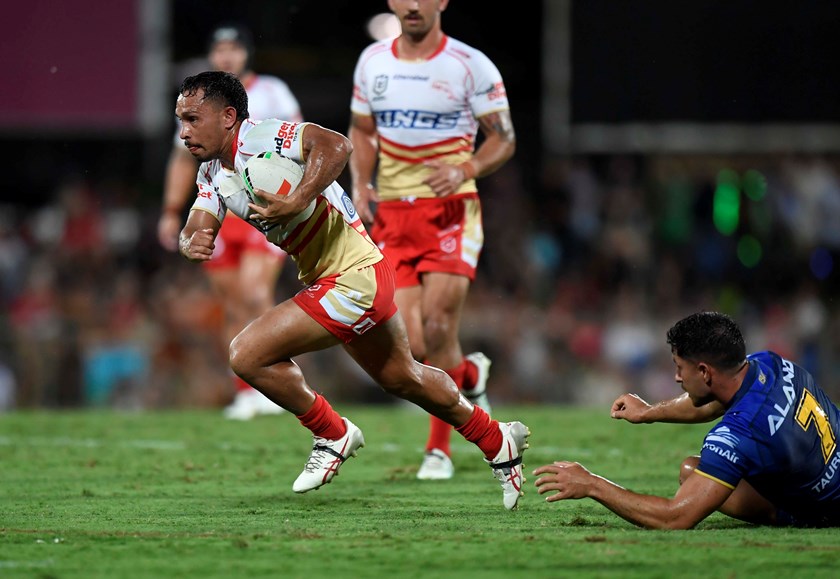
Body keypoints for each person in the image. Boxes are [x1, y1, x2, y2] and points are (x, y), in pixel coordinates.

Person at [175, 70, 530, 509]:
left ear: (228, 117)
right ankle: (497, 439)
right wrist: (191, 240)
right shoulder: (211, 172)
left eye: (193, 119)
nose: (184, 132)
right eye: (181, 121)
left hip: (354, 276)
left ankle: (332, 433)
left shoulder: (261, 136)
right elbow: (198, 221)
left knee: (246, 353)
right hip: (341, 276)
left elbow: (336, 145)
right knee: (405, 377)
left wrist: (300, 195)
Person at [348, 0, 516, 481]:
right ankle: (469, 375)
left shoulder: (470, 64)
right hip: (394, 217)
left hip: (450, 213)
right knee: (414, 343)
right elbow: (361, 131)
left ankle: (438, 449)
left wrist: (467, 167)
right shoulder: (373, 62)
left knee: (440, 328)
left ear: (442, 1)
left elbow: (503, 138)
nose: (414, 4)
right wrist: (361, 184)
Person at [533, 311, 840, 528]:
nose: (677, 377)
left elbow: (675, 517)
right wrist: (648, 412)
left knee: (692, 474)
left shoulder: (739, 433)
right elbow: (715, 402)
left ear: (705, 371)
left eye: (680, 368)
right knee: (693, 470)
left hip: (829, 510)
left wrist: (591, 484)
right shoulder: (768, 363)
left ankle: (792, 513)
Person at [158, 23, 303, 420]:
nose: (227, 55)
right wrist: (172, 211)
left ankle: (278, 381)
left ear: (244, 54)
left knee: (256, 294)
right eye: (219, 49)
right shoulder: (197, 102)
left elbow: (301, 141)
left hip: (261, 207)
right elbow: (180, 156)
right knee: (232, 303)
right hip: (220, 204)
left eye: (233, 48)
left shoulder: (273, 91)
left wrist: (296, 196)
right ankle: (246, 391)